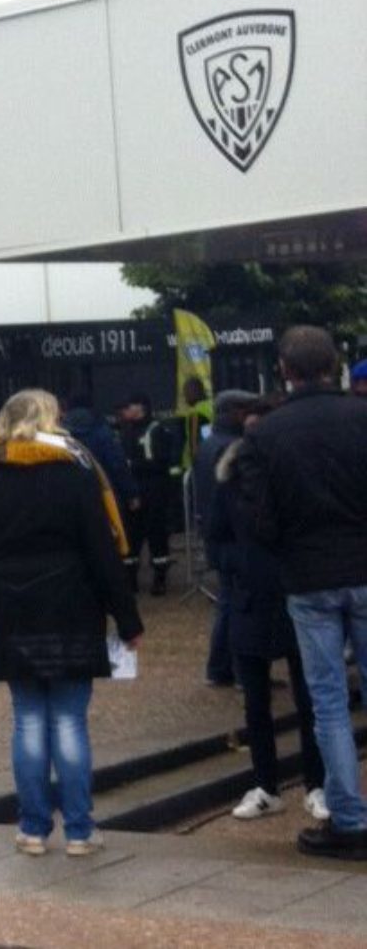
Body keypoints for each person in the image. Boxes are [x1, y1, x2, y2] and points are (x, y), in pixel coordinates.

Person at [0, 389, 143, 858]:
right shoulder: (75, 478)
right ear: (51, 423)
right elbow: (102, 554)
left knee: (26, 721)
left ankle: (33, 828)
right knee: (68, 721)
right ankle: (80, 830)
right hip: (71, 609)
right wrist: (127, 617)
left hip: (13, 612)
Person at [236, 326, 367, 860]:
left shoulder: (265, 435)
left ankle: (350, 817)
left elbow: (259, 519)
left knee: (328, 701)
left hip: (308, 576)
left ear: (284, 372)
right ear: (334, 365)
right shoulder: (362, 417)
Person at [211, 398, 325, 823]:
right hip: (251, 596)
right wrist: (236, 565)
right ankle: (265, 784)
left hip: (295, 592)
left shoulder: (292, 475)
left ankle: (317, 783)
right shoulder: (229, 479)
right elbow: (215, 537)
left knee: (311, 697)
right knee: (256, 701)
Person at [193, 391, 256, 688]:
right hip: (232, 537)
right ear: (234, 412)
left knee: (227, 602)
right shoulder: (231, 447)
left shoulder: (207, 445)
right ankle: (243, 672)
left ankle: (219, 668)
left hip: (215, 535)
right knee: (238, 604)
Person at [118, 393, 182, 596]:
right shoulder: (126, 431)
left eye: (130, 406)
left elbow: (163, 462)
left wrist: (135, 466)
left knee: (156, 534)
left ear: (141, 408)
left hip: (153, 489)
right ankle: (130, 580)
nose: (126, 411)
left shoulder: (158, 430)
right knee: (132, 536)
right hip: (133, 489)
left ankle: (160, 578)